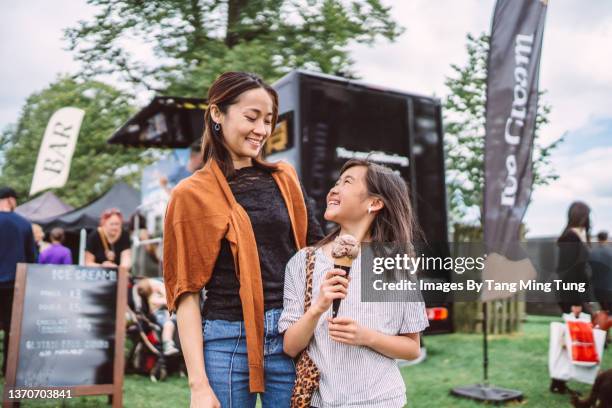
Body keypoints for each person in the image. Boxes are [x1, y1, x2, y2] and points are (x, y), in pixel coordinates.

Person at [163, 72, 323, 408]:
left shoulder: (284, 179)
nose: (262, 130)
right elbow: (186, 293)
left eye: (268, 120)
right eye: (251, 117)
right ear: (217, 114)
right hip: (225, 342)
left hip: (288, 335)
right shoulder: (190, 195)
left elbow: (315, 250)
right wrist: (198, 387)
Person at [279, 159, 429, 407]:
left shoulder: (395, 264)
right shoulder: (303, 262)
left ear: (375, 203)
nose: (334, 189)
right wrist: (318, 307)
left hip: (381, 400)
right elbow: (290, 347)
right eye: (336, 182)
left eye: (347, 182)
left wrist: (366, 336)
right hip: (320, 402)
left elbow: (412, 348)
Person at [0, 187, 36, 376]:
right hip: (14, 285)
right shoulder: (24, 224)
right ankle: (8, 367)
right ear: (10, 200)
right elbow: (32, 258)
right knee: (11, 328)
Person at [556, 201, 592, 314]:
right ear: (582, 217)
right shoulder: (571, 237)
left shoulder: (577, 236)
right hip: (572, 295)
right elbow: (569, 271)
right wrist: (576, 302)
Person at [136, 278, 179, 355]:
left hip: (168, 313)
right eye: (154, 284)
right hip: (160, 315)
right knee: (168, 324)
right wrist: (162, 291)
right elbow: (167, 302)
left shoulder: (155, 293)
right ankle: (167, 344)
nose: (158, 284)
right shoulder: (152, 298)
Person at [590, 231, 612, 312]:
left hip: (597, 288)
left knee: (604, 311)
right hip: (610, 287)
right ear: (607, 238)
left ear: (598, 239)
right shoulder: (610, 251)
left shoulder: (592, 253)